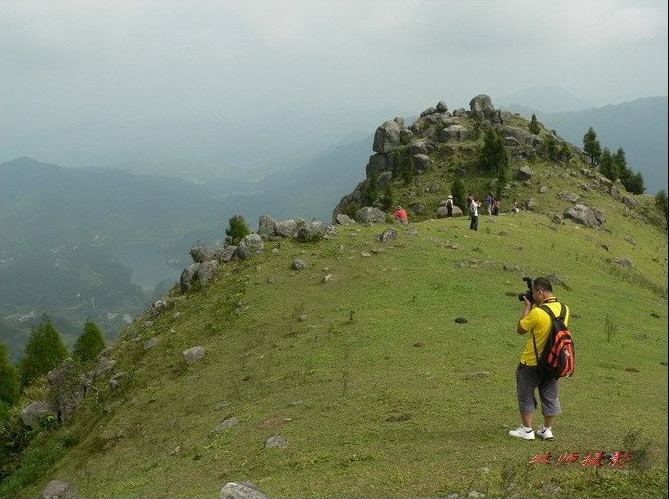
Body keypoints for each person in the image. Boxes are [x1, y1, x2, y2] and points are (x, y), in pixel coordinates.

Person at [509, 277, 570, 441]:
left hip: (532, 362)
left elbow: (521, 328)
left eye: (534, 293)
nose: (533, 296)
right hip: (553, 361)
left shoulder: (537, 312)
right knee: (550, 396)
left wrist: (528, 307)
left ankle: (527, 430)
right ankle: (547, 430)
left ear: (540, 291)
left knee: (525, 394)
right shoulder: (564, 309)